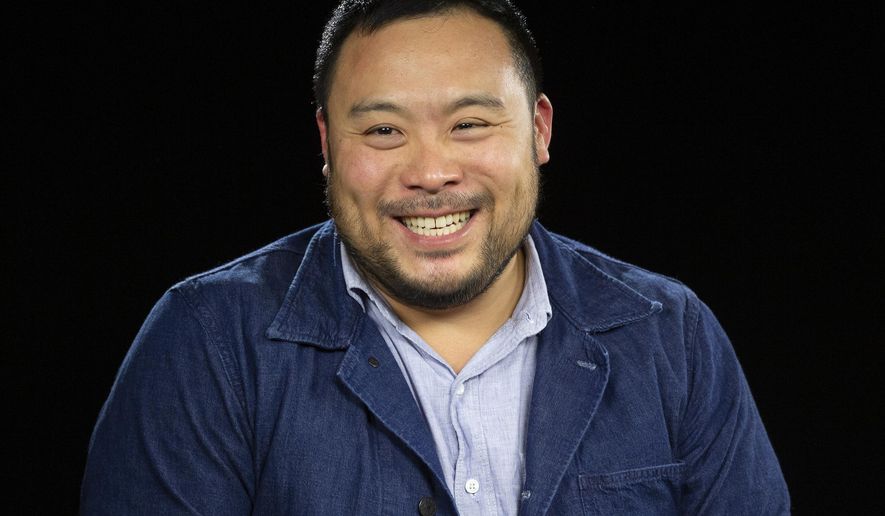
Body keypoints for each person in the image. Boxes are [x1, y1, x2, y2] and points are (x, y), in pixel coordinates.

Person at [81, 1, 790, 514]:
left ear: (538, 130)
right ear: (327, 144)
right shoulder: (207, 339)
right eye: (384, 129)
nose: (430, 171)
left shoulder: (669, 334)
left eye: (470, 124)